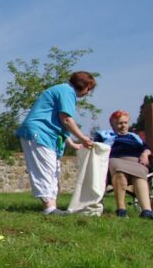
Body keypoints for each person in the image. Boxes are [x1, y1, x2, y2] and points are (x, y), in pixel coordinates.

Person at [14, 71, 96, 214]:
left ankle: (52, 207)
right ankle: (49, 208)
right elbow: (66, 119)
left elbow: (60, 123)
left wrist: (72, 143)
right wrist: (83, 138)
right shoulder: (66, 91)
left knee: (53, 170)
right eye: (89, 89)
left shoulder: (63, 90)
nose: (88, 94)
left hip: (46, 135)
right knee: (46, 170)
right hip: (39, 133)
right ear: (84, 86)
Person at [95, 110, 153, 219]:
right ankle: (121, 210)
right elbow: (96, 147)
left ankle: (146, 210)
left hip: (136, 160)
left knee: (140, 174)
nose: (123, 126)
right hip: (115, 159)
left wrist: (145, 154)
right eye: (119, 123)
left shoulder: (134, 136)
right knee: (119, 172)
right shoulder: (104, 135)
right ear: (112, 124)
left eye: (125, 123)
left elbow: (147, 148)